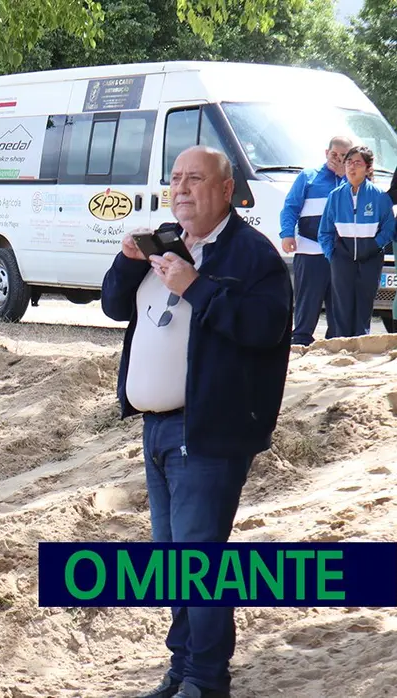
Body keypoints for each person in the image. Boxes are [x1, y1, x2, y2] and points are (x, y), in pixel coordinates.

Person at [102, 146, 292, 698]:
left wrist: (195, 286)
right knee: (174, 562)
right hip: (156, 428)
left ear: (227, 189)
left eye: (195, 179)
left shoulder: (251, 255)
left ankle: (206, 680)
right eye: (175, 179)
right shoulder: (166, 240)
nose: (181, 189)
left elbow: (265, 328)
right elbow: (117, 307)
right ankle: (183, 669)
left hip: (209, 431)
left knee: (198, 562)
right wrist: (126, 259)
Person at [278, 135, 352, 345]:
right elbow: (291, 206)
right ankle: (300, 341)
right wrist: (287, 234)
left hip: (341, 251)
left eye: (344, 156)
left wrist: (344, 177)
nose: (338, 159)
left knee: (339, 303)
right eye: (334, 154)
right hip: (310, 249)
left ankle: (337, 343)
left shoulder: (354, 180)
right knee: (307, 302)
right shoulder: (308, 176)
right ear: (326, 153)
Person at [318, 145, 396, 338]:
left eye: (357, 163)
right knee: (342, 304)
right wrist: (333, 255)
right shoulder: (335, 196)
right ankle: (342, 345)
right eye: (349, 163)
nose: (352, 167)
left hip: (370, 258)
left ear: (368, 168)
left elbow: (388, 228)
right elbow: (325, 231)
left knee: (364, 304)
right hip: (342, 258)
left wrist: (374, 245)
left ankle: (361, 344)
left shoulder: (379, 196)